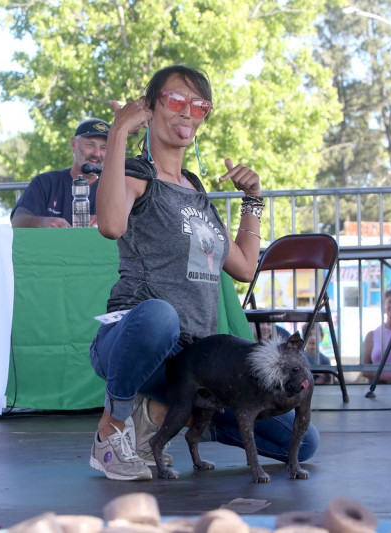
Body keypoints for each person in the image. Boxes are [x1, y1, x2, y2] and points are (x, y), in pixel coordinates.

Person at [88, 64, 319, 481]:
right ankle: (114, 430)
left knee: (302, 440)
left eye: (199, 106)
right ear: (150, 107)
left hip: (197, 366)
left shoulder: (197, 192)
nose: (186, 112)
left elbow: (245, 266)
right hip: (141, 341)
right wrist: (119, 133)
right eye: (175, 100)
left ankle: (175, 419)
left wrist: (253, 200)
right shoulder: (139, 175)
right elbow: (110, 225)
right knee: (161, 316)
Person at [10, 118, 110, 228]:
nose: (97, 153)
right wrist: (43, 222)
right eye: (90, 145)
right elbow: (17, 220)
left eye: (104, 148)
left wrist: (108, 222)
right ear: (73, 144)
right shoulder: (46, 183)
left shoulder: (116, 189)